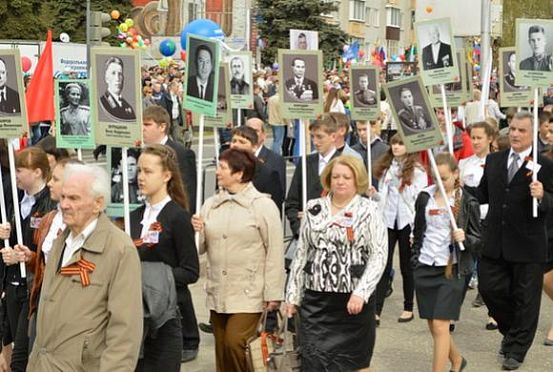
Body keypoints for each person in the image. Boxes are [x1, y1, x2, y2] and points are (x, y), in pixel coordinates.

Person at [27, 163, 143, 370]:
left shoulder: (119, 249)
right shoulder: (61, 240)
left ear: (98, 203)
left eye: (74, 198)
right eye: (63, 197)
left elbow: (125, 331)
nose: (64, 205)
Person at [467, 111, 553, 370]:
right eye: (513, 129)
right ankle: (512, 332)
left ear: (532, 133)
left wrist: (543, 197)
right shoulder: (495, 160)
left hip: (528, 244)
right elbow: (482, 194)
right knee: (490, 289)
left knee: (526, 299)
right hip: (495, 240)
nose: (515, 134)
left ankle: (516, 349)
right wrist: (457, 188)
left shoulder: (545, 165)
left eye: (521, 130)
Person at [286, 155, 387, 371]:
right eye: (336, 176)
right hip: (316, 302)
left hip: (353, 301)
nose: (340, 181)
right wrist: (293, 295)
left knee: (355, 363)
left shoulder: (369, 210)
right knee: (314, 361)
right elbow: (302, 253)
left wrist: (362, 292)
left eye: (347, 177)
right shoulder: (314, 208)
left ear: (357, 179)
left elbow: (379, 255)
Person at [191, 148, 284, 372]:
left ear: (239, 174)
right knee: (222, 350)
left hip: (249, 292)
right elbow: (201, 249)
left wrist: (274, 292)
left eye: (223, 168)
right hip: (218, 290)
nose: (218, 172)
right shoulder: (211, 204)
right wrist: (198, 230)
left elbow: (275, 251)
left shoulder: (262, 206)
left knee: (236, 343)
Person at [131, 145, 199, 369]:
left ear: (166, 176)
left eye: (148, 171)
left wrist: (154, 277)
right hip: (135, 314)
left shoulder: (177, 217)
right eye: (139, 170)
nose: (141, 177)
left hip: (167, 315)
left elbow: (190, 271)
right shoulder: (134, 216)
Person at [412, 152, 481, 372]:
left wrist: (465, 238)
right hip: (425, 265)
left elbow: (480, 240)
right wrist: (414, 259)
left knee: (442, 325)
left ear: (455, 174)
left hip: (452, 268)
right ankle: (458, 360)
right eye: (436, 178)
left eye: (444, 178)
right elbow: (418, 230)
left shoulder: (468, 201)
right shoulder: (425, 196)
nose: (440, 183)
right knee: (433, 323)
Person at [0, 147, 56, 371]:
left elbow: (48, 250)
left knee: (22, 356)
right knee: (12, 347)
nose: (16, 176)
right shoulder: (14, 199)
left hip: (34, 286)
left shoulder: (51, 205)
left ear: (38, 172)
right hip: (12, 285)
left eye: (20, 170)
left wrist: (24, 257)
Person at [373, 134, 428, 325]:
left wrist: (401, 184)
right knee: (383, 264)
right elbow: (383, 196)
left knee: (407, 266)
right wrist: (375, 195)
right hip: (388, 220)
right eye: (394, 143)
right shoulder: (387, 167)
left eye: (401, 143)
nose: (396, 147)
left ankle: (408, 307)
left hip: (406, 222)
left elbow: (417, 197)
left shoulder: (418, 170)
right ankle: (376, 310)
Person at [458, 122, 498, 329]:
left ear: (490, 139)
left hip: (488, 221)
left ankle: (494, 314)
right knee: (462, 270)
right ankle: (451, 314)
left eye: (479, 137)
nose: (475, 142)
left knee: (487, 271)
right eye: (472, 137)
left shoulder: (497, 162)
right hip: (468, 222)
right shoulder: (464, 163)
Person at [286, 113, 340, 237]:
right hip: (305, 236)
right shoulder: (305, 162)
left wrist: (317, 217)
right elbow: (292, 202)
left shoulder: (345, 165)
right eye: (312, 137)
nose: (315, 142)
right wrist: (298, 228)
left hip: (333, 237)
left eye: (320, 137)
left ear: (333, 136)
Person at [142, 105, 197, 212]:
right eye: (141, 125)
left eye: (147, 125)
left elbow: (188, 194)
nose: (143, 129)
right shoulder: (141, 152)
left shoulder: (181, 154)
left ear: (162, 127)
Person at [229, 126, 284, 212]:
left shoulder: (267, 175)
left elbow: (273, 210)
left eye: (242, 142)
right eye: (234, 141)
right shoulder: (225, 170)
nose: (236, 145)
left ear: (254, 147)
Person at [246, 117, 286, 194]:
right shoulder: (235, 158)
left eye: (256, 131)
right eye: (249, 130)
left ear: (264, 135)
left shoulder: (276, 160)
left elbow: (279, 194)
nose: (252, 134)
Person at [99, 56, 136, 121]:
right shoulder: (102, 102)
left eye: (120, 74)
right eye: (113, 73)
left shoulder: (127, 106)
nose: (117, 78)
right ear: (106, 78)